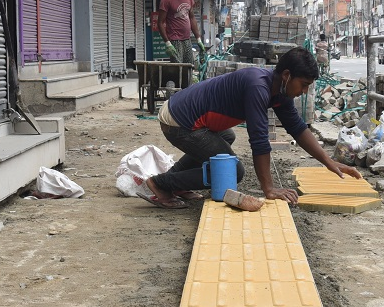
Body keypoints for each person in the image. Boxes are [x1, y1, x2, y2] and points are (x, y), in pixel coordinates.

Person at [139, 47, 362, 209]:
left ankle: (175, 181)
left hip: (184, 116)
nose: (304, 91)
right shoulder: (258, 87)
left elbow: (298, 129)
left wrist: (329, 162)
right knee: (234, 170)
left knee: (226, 137)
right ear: (287, 75)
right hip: (179, 121)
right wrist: (269, 189)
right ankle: (160, 183)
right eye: (303, 85)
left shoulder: (278, 90)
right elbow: (259, 141)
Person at [158, 0, 202, 67]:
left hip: (187, 39)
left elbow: (192, 17)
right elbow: (160, 23)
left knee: (190, 66)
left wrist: (198, 38)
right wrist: (167, 43)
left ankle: (189, 83)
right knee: (178, 69)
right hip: (175, 40)